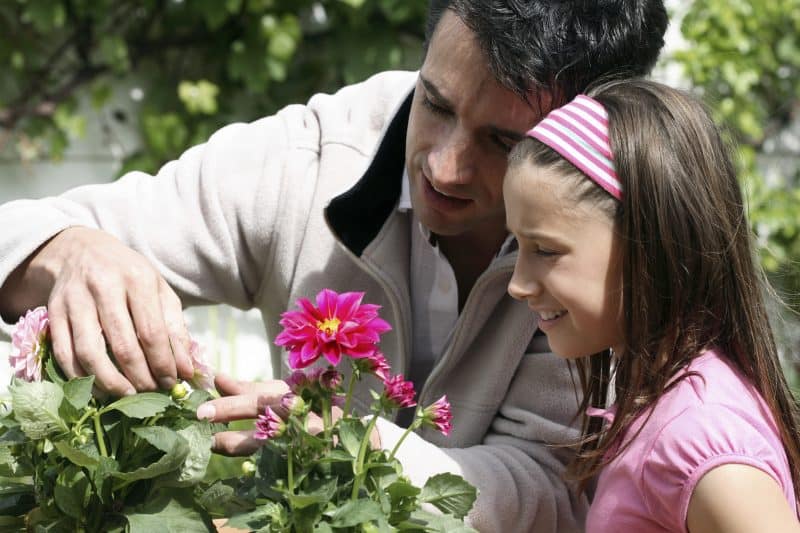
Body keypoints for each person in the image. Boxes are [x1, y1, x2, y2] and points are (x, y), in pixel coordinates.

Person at [0, 2, 668, 530]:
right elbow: (17, 231)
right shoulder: (308, 158)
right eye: (434, 103)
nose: (443, 165)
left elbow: (547, 494)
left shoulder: (618, 248)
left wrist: (351, 450)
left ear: (590, 136)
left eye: (502, 141)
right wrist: (66, 250)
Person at [504, 78, 800, 532]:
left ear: (650, 244)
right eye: (517, 245)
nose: (518, 285)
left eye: (545, 250)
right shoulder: (656, 408)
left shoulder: (699, 441)